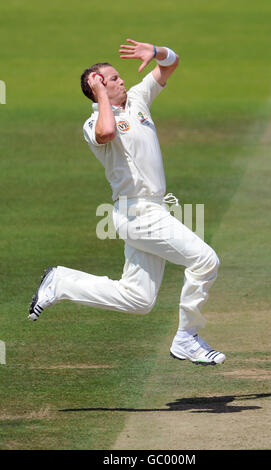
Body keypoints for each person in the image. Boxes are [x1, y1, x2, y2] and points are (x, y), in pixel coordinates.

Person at [28, 39, 225, 366]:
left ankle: (61, 281)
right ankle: (187, 336)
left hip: (153, 209)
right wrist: (102, 96)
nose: (123, 81)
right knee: (205, 261)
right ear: (99, 87)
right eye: (114, 78)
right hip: (136, 212)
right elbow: (107, 133)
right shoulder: (93, 122)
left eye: (120, 77)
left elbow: (170, 66)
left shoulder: (137, 99)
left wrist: (158, 52)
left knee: (138, 299)